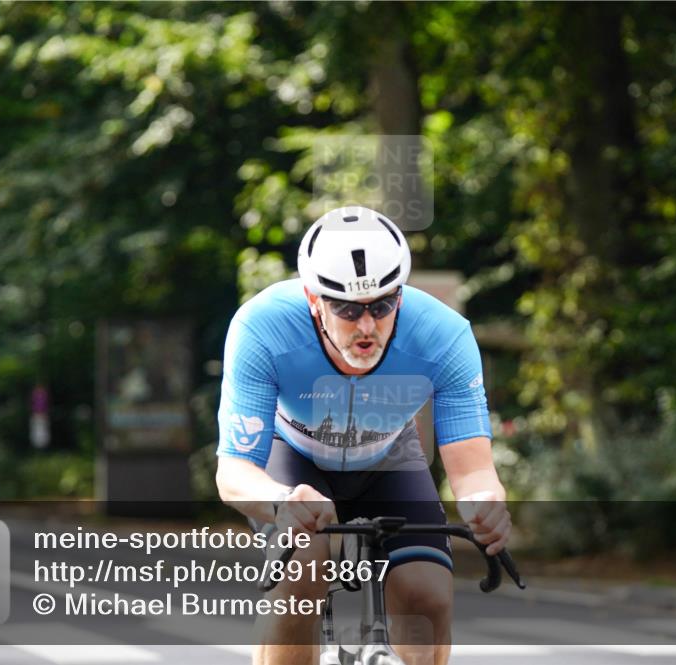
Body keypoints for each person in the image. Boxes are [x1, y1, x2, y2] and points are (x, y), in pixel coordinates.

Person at [215, 206, 510, 665]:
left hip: (389, 458)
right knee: (303, 571)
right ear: (314, 299)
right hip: (292, 458)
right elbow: (233, 471)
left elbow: (473, 470)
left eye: (383, 305)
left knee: (428, 598)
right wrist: (280, 501)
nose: (367, 326)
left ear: (400, 295)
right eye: (348, 309)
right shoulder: (262, 327)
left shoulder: (444, 337)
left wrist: (487, 504)